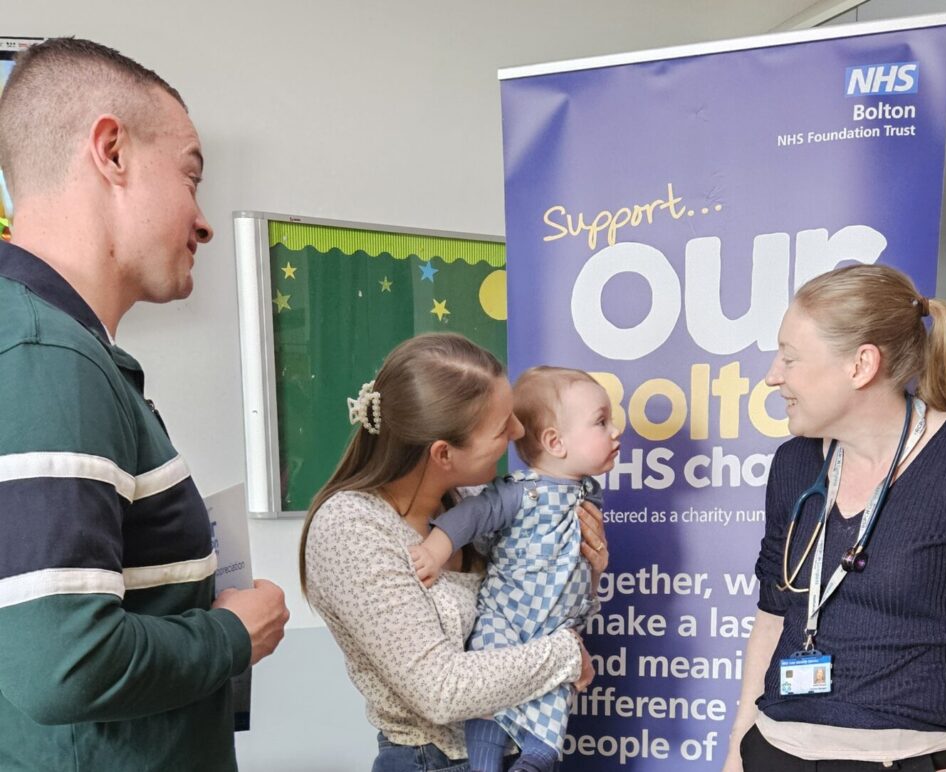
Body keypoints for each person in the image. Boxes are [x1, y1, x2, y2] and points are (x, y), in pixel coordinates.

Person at [0, 38, 289, 771]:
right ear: (112, 152)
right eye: (191, 177)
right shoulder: (47, 358)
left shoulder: (51, 346)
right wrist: (232, 636)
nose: (203, 220)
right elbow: (64, 665)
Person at [724, 263, 946, 772]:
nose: (773, 375)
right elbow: (773, 616)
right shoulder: (795, 463)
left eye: (790, 358)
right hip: (774, 752)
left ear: (861, 365)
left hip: (900, 758)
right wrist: (737, 749)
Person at [299, 334, 610, 772]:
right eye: (503, 427)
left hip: (516, 745)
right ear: (443, 453)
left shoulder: (467, 502)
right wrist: (565, 657)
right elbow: (440, 690)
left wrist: (586, 570)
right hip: (434, 760)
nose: (521, 433)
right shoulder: (351, 529)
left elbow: (529, 601)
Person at [408, 366, 621, 772]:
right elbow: (473, 515)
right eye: (601, 421)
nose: (615, 431)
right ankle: (484, 765)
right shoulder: (522, 493)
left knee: (549, 722)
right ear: (555, 442)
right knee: (489, 707)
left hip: (556, 635)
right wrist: (435, 550)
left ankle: (534, 763)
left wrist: (596, 571)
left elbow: (579, 572)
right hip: (506, 621)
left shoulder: (590, 496)